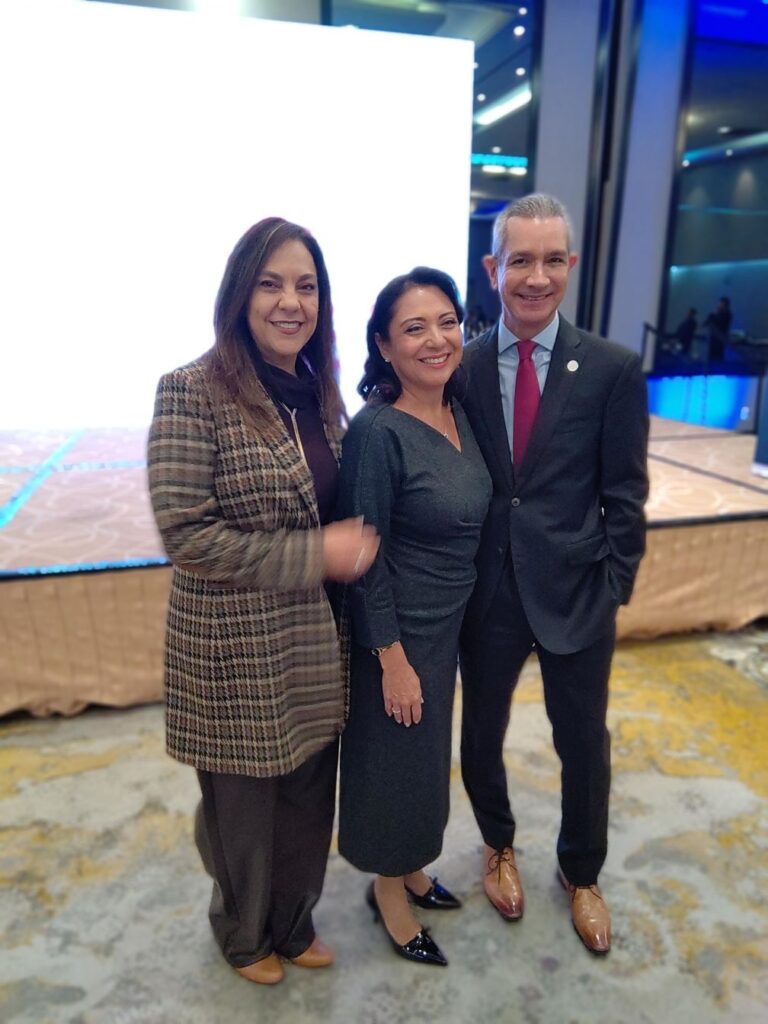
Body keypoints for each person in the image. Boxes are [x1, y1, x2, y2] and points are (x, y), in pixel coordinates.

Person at [147, 217, 379, 985]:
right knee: (243, 807)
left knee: (309, 796)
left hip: (314, 638)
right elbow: (188, 536)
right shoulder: (191, 390)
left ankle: (292, 921)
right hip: (234, 646)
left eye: (306, 286)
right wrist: (318, 554)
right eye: (272, 284)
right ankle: (244, 934)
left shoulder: (320, 393)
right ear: (240, 295)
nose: (291, 302)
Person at [458, 194, 648, 955]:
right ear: (492, 267)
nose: (536, 278)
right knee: (482, 732)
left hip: (577, 591)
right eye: (520, 261)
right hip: (489, 592)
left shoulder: (611, 369)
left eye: (551, 260)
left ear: (570, 264)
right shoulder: (462, 366)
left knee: (583, 744)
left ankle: (582, 871)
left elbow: (625, 492)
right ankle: (497, 844)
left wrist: (614, 585)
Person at [336, 268, 492, 967]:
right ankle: (388, 892)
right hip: (398, 633)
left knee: (425, 762)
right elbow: (364, 557)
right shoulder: (377, 432)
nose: (436, 339)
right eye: (414, 328)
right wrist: (391, 659)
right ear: (384, 346)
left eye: (447, 322)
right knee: (392, 765)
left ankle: (412, 868)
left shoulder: (458, 409)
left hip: (448, 626)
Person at [704, 296, 732, 362]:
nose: (719, 305)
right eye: (720, 303)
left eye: (721, 303)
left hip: (720, 338)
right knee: (711, 356)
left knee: (717, 357)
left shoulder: (727, 314)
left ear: (725, 304)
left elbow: (721, 323)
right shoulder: (717, 313)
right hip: (713, 338)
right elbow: (708, 321)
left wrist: (715, 314)